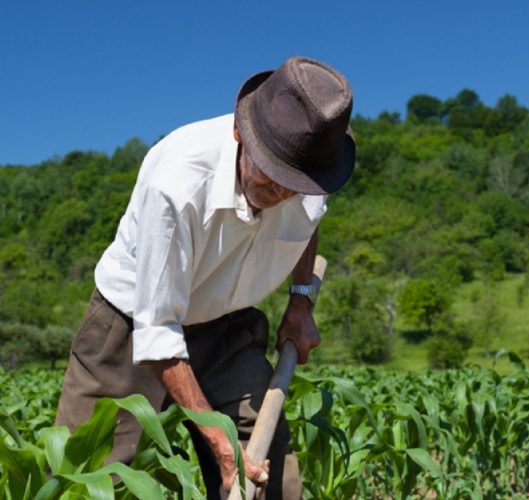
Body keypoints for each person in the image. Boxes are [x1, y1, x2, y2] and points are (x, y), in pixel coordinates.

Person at [54, 56, 356, 498]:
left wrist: (300, 301)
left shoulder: (312, 172)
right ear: (240, 133)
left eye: (296, 185)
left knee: (270, 475)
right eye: (272, 179)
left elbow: (306, 226)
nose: (282, 196)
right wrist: (219, 443)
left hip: (225, 323)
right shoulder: (177, 184)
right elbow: (157, 332)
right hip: (132, 327)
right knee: (91, 478)